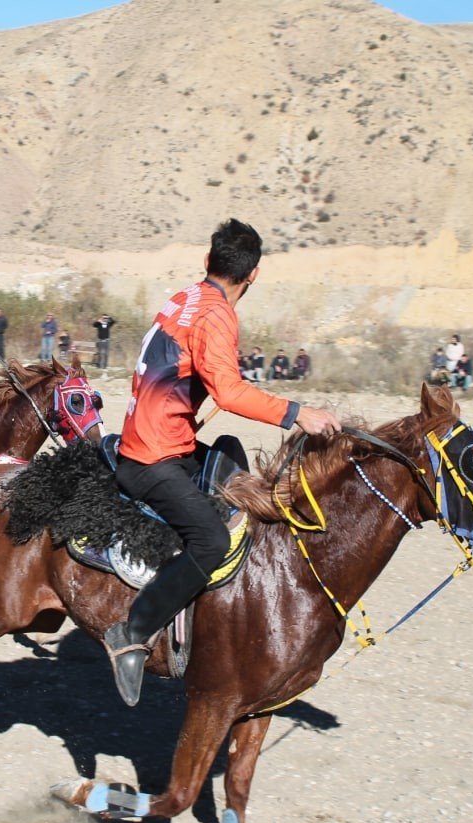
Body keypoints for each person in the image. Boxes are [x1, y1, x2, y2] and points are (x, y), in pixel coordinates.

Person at [103, 218, 341, 707]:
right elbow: (229, 393)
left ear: (207, 261)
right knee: (211, 540)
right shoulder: (217, 315)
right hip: (152, 458)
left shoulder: (185, 297)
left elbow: (188, 374)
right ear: (253, 275)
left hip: (160, 439)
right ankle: (133, 632)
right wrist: (299, 414)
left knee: (232, 457)